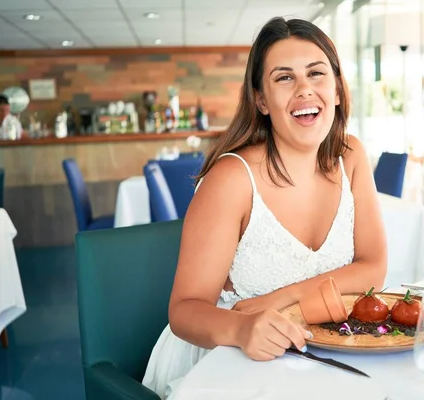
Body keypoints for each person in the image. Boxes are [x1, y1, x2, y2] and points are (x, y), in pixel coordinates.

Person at [142, 16, 387, 399]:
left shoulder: (351, 156)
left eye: (316, 73)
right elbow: (185, 312)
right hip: (226, 361)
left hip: (318, 356)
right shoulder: (231, 179)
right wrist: (242, 328)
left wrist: (278, 301)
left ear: (337, 90)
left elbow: (373, 267)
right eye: (284, 78)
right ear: (261, 99)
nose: (305, 89)